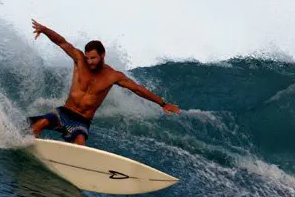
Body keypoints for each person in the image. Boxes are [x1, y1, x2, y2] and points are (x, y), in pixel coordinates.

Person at [28, 19, 182, 145]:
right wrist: (45, 30)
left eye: (93, 58)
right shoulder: (79, 60)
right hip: (65, 111)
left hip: (82, 120)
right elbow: (62, 42)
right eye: (87, 57)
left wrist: (162, 103)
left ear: (102, 55)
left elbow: (137, 89)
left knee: (80, 142)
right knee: (41, 123)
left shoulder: (113, 76)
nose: (89, 61)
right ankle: (28, 144)